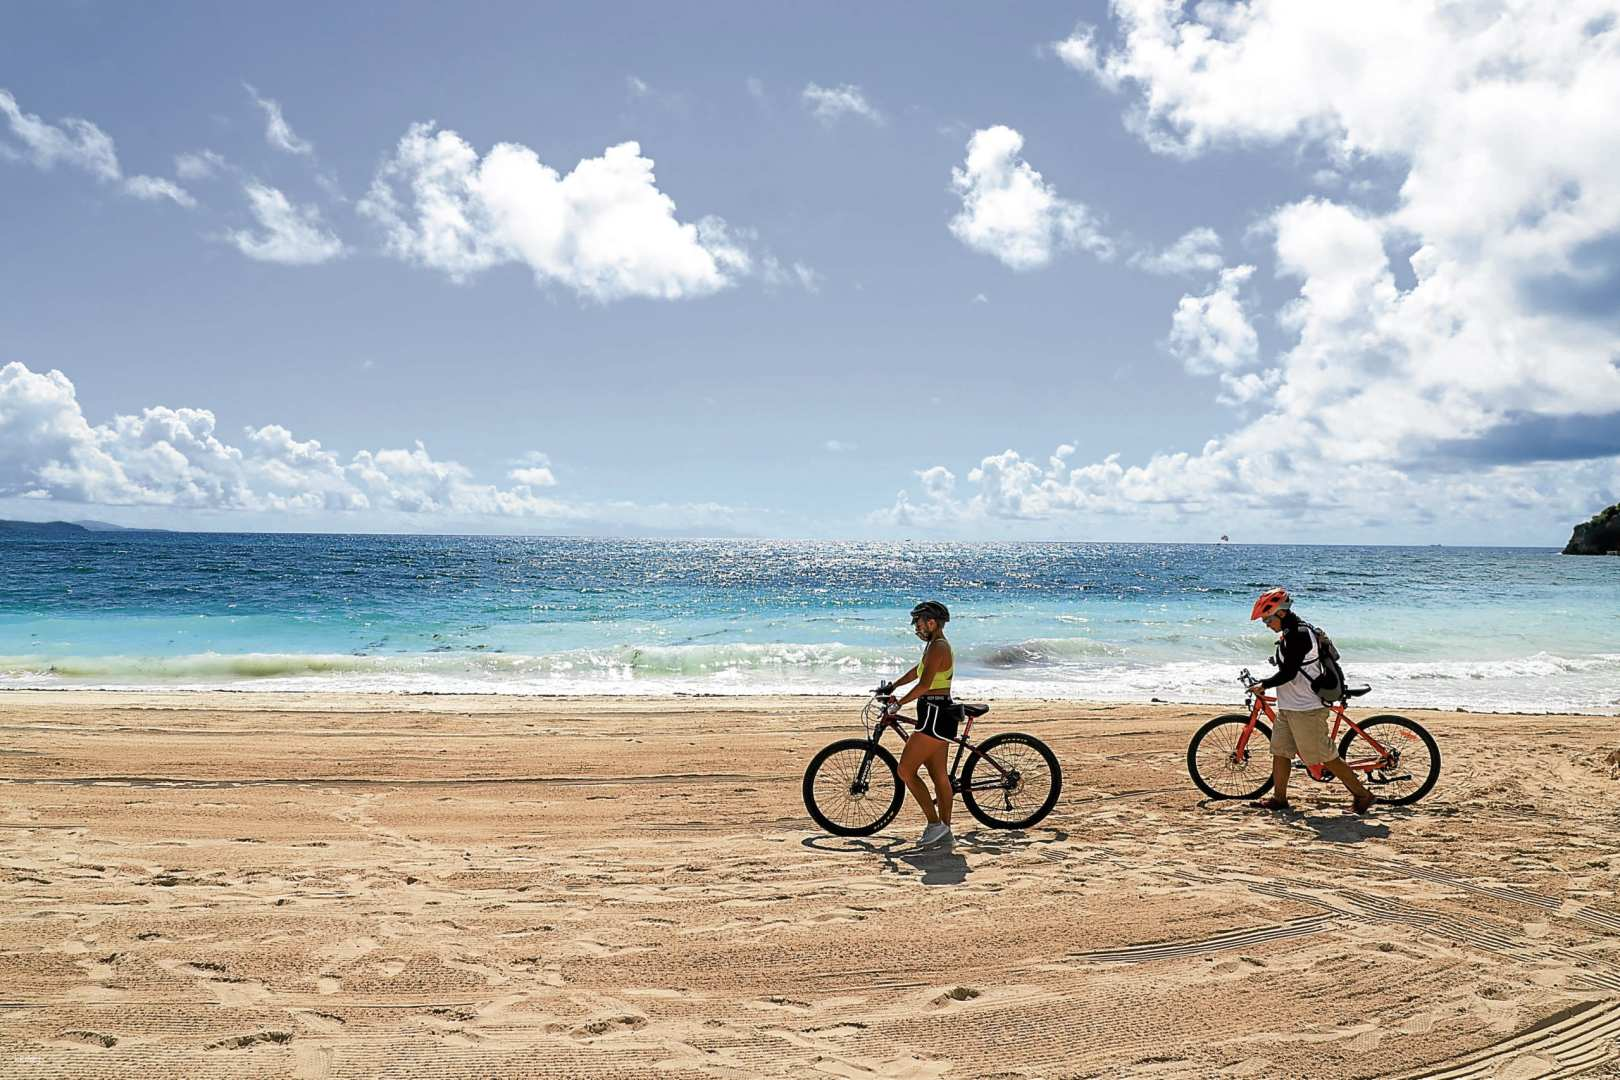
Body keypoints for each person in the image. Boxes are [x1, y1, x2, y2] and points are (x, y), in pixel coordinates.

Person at [1247, 588, 1375, 815]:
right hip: (1288, 706)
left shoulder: (1299, 634)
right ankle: (1279, 799)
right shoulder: (1288, 633)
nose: (1266, 624)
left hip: (1306, 708)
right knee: (1281, 751)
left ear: (1282, 613)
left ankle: (1362, 795)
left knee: (1324, 756)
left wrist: (1264, 684)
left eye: (1267, 618)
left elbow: (1289, 673)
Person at [877, 601, 957, 847]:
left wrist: (898, 703)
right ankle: (944, 830)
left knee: (905, 770)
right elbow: (918, 672)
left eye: (919, 623)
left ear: (931, 623)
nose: (916, 628)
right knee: (939, 776)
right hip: (937, 714)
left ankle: (935, 824)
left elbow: (924, 685)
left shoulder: (938, 647)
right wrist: (894, 685)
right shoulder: (934, 646)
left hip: (934, 716)